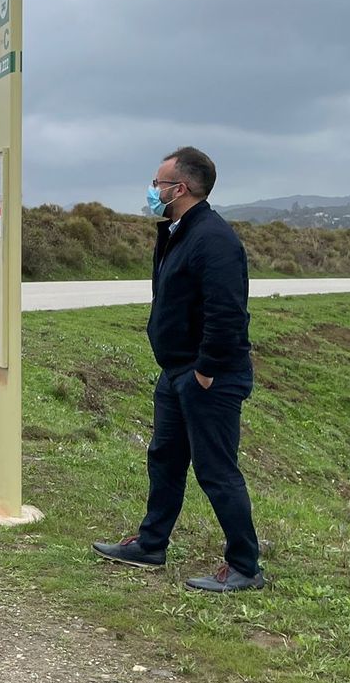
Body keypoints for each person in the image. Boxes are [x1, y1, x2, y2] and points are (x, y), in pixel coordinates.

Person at [94, 146, 264, 592]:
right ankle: (151, 545)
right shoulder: (177, 231)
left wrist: (205, 371)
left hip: (209, 379)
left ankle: (245, 566)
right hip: (176, 374)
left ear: (180, 188)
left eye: (158, 183)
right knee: (165, 460)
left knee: (216, 471)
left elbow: (227, 313)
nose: (153, 190)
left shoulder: (213, 238)